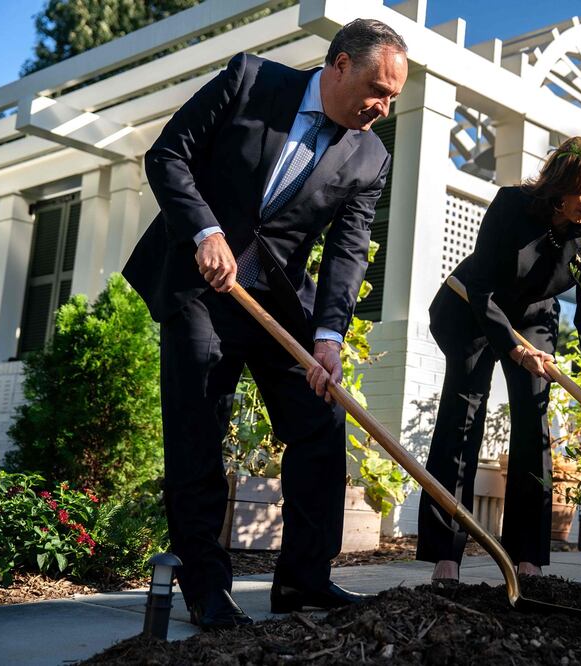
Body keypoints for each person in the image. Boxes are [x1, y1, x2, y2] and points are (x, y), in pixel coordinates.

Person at [123, 19, 408, 629]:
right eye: (376, 90)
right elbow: (168, 156)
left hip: (278, 302)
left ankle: (304, 581)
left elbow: (348, 250)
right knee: (200, 417)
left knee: (322, 420)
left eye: (392, 99)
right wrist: (205, 229)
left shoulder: (370, 155)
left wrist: (329, 336)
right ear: (337, 65)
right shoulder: (249, 81)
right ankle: (205, 587)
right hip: (201, 285)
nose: (381, 108)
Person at [417, 137, 581, 582]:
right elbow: (483, 289)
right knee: (462, 415)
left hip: (533, 318)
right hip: (472, 307)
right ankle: (445, 555)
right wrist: (510, 347)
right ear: (561, 182)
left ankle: (527, 557)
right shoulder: (512, 205)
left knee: (534, 423)